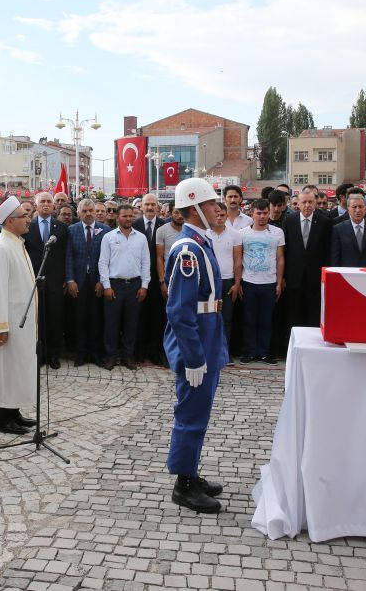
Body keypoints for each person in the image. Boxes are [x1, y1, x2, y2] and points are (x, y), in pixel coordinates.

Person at [163, 178, 228, 514]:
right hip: (197, 342)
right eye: (211, 203)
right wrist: (193, 357)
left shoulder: (202, 243)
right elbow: (179, 311)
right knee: (190, 415)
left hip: (207, 336)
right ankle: (183, 484)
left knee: (199, 413)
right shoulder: (188, 250)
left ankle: (190, 471)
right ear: (194, 208)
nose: (218, 208)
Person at [0, 196, 38, 434]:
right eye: (23, 216)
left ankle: (13, 412)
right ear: (9, 221)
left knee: (16, 368)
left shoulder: (16, 243)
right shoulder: (1, 248)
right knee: (5, 368)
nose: (28, 219)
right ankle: (1, 419)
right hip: (9, 321)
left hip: (20, 320)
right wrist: (0, 326)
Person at [99, 204, 150, 370]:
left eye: (130, 216)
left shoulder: (141, 238)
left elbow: (146, 263)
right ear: (118, 217)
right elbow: (103, 263)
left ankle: (128, 356)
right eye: (125, 216)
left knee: (131, 323)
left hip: (135, 285)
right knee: (111, 323)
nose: (128, 219)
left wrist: (144, 286)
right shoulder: (108, 237)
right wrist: (106, 286)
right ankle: (111, 356)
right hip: (115, 285)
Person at [23, 192, 69, 370]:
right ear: (35, 205)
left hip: (56, 281)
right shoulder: (28, 226)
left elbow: (66, 254)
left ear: (54, 206)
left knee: (55, 318)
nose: (46, 204)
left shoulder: (62, 227)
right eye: (42, 201)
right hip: (33, 279)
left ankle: (54, 355)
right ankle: (39, 354)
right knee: (37, 319)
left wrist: (66, 277)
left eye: (49, 201)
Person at [65, 199, 110, 368]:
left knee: (97, 319)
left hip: (97, 282)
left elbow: (107, 259)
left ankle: (96, 353)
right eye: (84, 211)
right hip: (78, 281)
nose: (88, 213)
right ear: (78, 213)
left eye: (91, 210)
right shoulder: (71, 230)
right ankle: (81, 353)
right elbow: (69, 256)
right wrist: (70, 280)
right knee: (80, 318)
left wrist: (101, 281)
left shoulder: (106, 230)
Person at [238, 199, 284, 365]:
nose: (262, 216)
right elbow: (238, 258)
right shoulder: (242, 233)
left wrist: (279, 282)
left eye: (265, 213)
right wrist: (238, 283)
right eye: (259, 213)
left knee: (266, 320)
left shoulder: (277, 232)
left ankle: (264, 353)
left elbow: (280, 258)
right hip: (248, 282)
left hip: (269, 283)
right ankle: (249, 352)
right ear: (252, 214)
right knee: (249, 319)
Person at [282, 189, 330, 328]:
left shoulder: (325, 222)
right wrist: (283, 276)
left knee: (314, 315)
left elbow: (327, 251)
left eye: (310, 202)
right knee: (293, 315)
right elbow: (285, 250)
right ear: (298, 203)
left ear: (315, 203)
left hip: (315, 278)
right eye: (304, 202)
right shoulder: (289, 221)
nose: (307, 205)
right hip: (293, 278)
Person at [133, 194, 167, 365]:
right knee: (139, 316)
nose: (150, 207)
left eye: (153, 204)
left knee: (157, 316)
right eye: (147, 204)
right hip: (138, 277)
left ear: (157, 207)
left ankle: (155, 352)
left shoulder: (164, 226)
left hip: (158, 278)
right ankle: (139, 352)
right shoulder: (134, 225)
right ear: (141, 206)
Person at [208, 201, 243, 346]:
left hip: (228, 281)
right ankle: (210, 350)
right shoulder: (205, 233)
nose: (219, 218)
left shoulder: (235, 235)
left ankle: (224, 351)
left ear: (227, 216)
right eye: (216, 214)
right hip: (209, 281)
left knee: (226, 318)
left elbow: (238, 259)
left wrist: (237, 283)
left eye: (222, 215)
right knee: (209, 317)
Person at [330, 192, 366, 267]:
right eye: (354, 207)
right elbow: (335, 257)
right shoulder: (338, 229)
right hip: (347, 272)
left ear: (365, 208)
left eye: (360, 207)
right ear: (348, 209)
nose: (358, 210)